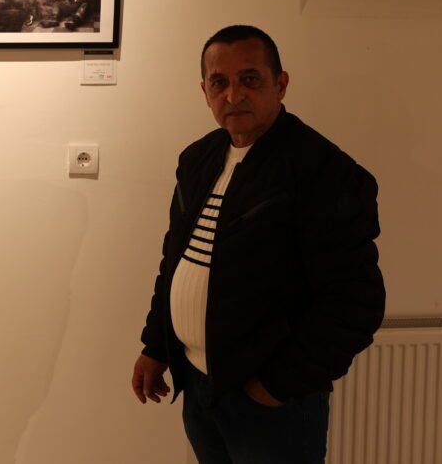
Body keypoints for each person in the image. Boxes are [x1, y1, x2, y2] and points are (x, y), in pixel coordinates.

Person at [131, 25, 384, 464]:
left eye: (249, 79)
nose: (233, 95)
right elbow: (174, 259)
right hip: (199, 383)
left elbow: (355, 300)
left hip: (270, 403)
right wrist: (156, 345)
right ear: (204, 91)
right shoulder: (197, 159)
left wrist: (278, 384)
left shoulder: (322, 170)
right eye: (219, 82)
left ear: (280, 84)